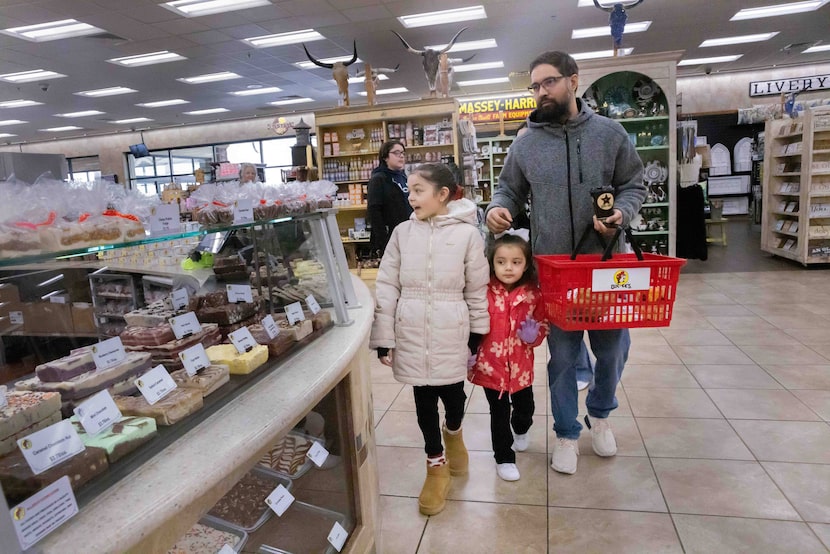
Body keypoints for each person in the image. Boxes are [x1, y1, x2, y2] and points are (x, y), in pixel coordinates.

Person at [485, 51, 646, 475]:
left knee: (612, 352)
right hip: (554, 272)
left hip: (608, 269)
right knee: (561, 358)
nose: (541, 92)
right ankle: (566, 434)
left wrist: (621, 215)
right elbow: (508, 191)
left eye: (549, 82)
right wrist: (497, 209)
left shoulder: (610, 134)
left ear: (574, 81)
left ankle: (601, 414)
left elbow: (633, 184)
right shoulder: (526, 143)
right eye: (535, 86)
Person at [370, 163, 489, 515]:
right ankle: (435, 464)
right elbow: (387, 285)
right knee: (423, 399)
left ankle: (453, 431)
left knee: (453, 397)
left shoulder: (468, 236)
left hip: (452, 326)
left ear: (443, 195)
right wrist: (384, 335)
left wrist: (478, 332)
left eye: (419, 189)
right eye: (410, 188)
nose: (411, 196)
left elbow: (476, 288)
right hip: (411, 327)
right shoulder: (402, 234)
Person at [515, 122, 594, 390]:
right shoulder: (520, 172)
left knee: (580, 315)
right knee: (559, 319)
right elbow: (510, 198)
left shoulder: (558, 167)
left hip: (577, 255)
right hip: (538, 254)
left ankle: (584, 368)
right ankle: (578, 368)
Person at [468, 231, 547, 482]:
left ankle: (521, 428)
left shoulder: (534, 295)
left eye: (516, 262)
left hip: (522, 367)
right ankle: (503, 457)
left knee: (525, 408)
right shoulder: (483, 292)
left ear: (526, 265)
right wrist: (468, 351)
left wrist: (533, 336)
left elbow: (542, 324)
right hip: (491, 367)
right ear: (492, 263)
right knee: (498, 413)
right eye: (501, 262)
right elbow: (471, 322)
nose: (508, 268)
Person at [367, 140, 412, 257]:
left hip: (408, 232)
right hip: (390, 236)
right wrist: (384, 240)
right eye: (396, 153)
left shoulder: (403, 177)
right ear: (385, 157)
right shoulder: (378, 179)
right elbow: (374, 211)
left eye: (403, 153)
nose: (401, 156)